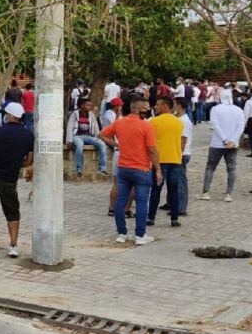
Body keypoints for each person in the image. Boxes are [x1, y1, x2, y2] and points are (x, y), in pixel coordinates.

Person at [99, 96, 161, 246]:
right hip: (142, 170)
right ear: (139, 108)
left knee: (120, 202)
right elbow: (152, 150)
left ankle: (122, 233)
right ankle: (140, 235)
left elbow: (101, 134)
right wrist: (158, 169)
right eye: (146, 108)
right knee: (141, 202)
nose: (148, 111)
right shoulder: (146, 126)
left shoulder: (119, 123)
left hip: (124, 169)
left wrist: (116, 144)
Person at [0, 102, 33, 259]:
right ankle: (13, 246)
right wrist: (15, 163)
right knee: (13, 212)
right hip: (10, 179)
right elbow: (28, 161)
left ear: (9, 116)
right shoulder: (28, 135)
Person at [147, 97, 184, 228]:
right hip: (175, 159)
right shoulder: (179, 123)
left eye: (157, 104)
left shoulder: (153, 122)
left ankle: (151, 217)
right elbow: (181, 141)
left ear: (165, 106)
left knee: (156, 190)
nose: (155, 107)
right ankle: (174, 218)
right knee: (173, 190)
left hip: (160, 161)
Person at [199, 98, 244, 202]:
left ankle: (206, 192)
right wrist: (232, 140)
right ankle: (229, 194)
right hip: (233, 144)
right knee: (232, 168)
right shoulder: (239, 110)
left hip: (217, 143)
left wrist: (224, 139)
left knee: (210, 167)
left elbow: (215, 125)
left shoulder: (215, 109)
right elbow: (241, 127)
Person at [65, 98, 107, 177]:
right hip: (77, 136)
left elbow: (96, 127)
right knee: (80, 146)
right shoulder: (75, 114)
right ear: (82, 106)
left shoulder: (91, 115)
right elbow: (70, 127)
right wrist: (69, 140)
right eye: (88, 105)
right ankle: (79, 169)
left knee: (102, 144)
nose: (90, 107)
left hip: (88, 136)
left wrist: (98, 138)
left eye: (90, 105)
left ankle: (102, 168)